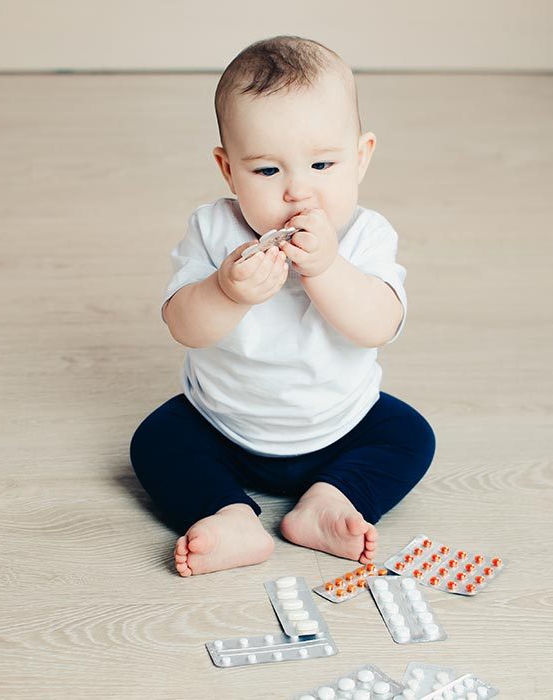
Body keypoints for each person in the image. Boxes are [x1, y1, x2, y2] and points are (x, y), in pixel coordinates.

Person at [130, 36, 435, 576]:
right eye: (267, 172)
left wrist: (327, 270)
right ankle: (228, 515)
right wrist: (226, 292)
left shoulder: (366, 235)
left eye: (322, 164)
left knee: (410, 437)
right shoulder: (213, 230)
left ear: (360, 158)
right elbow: (183, 325)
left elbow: (378, 325)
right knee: (155, 442)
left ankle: (330, 500)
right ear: (228, 170)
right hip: (222, 423)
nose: (299, 192)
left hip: (340, 424)